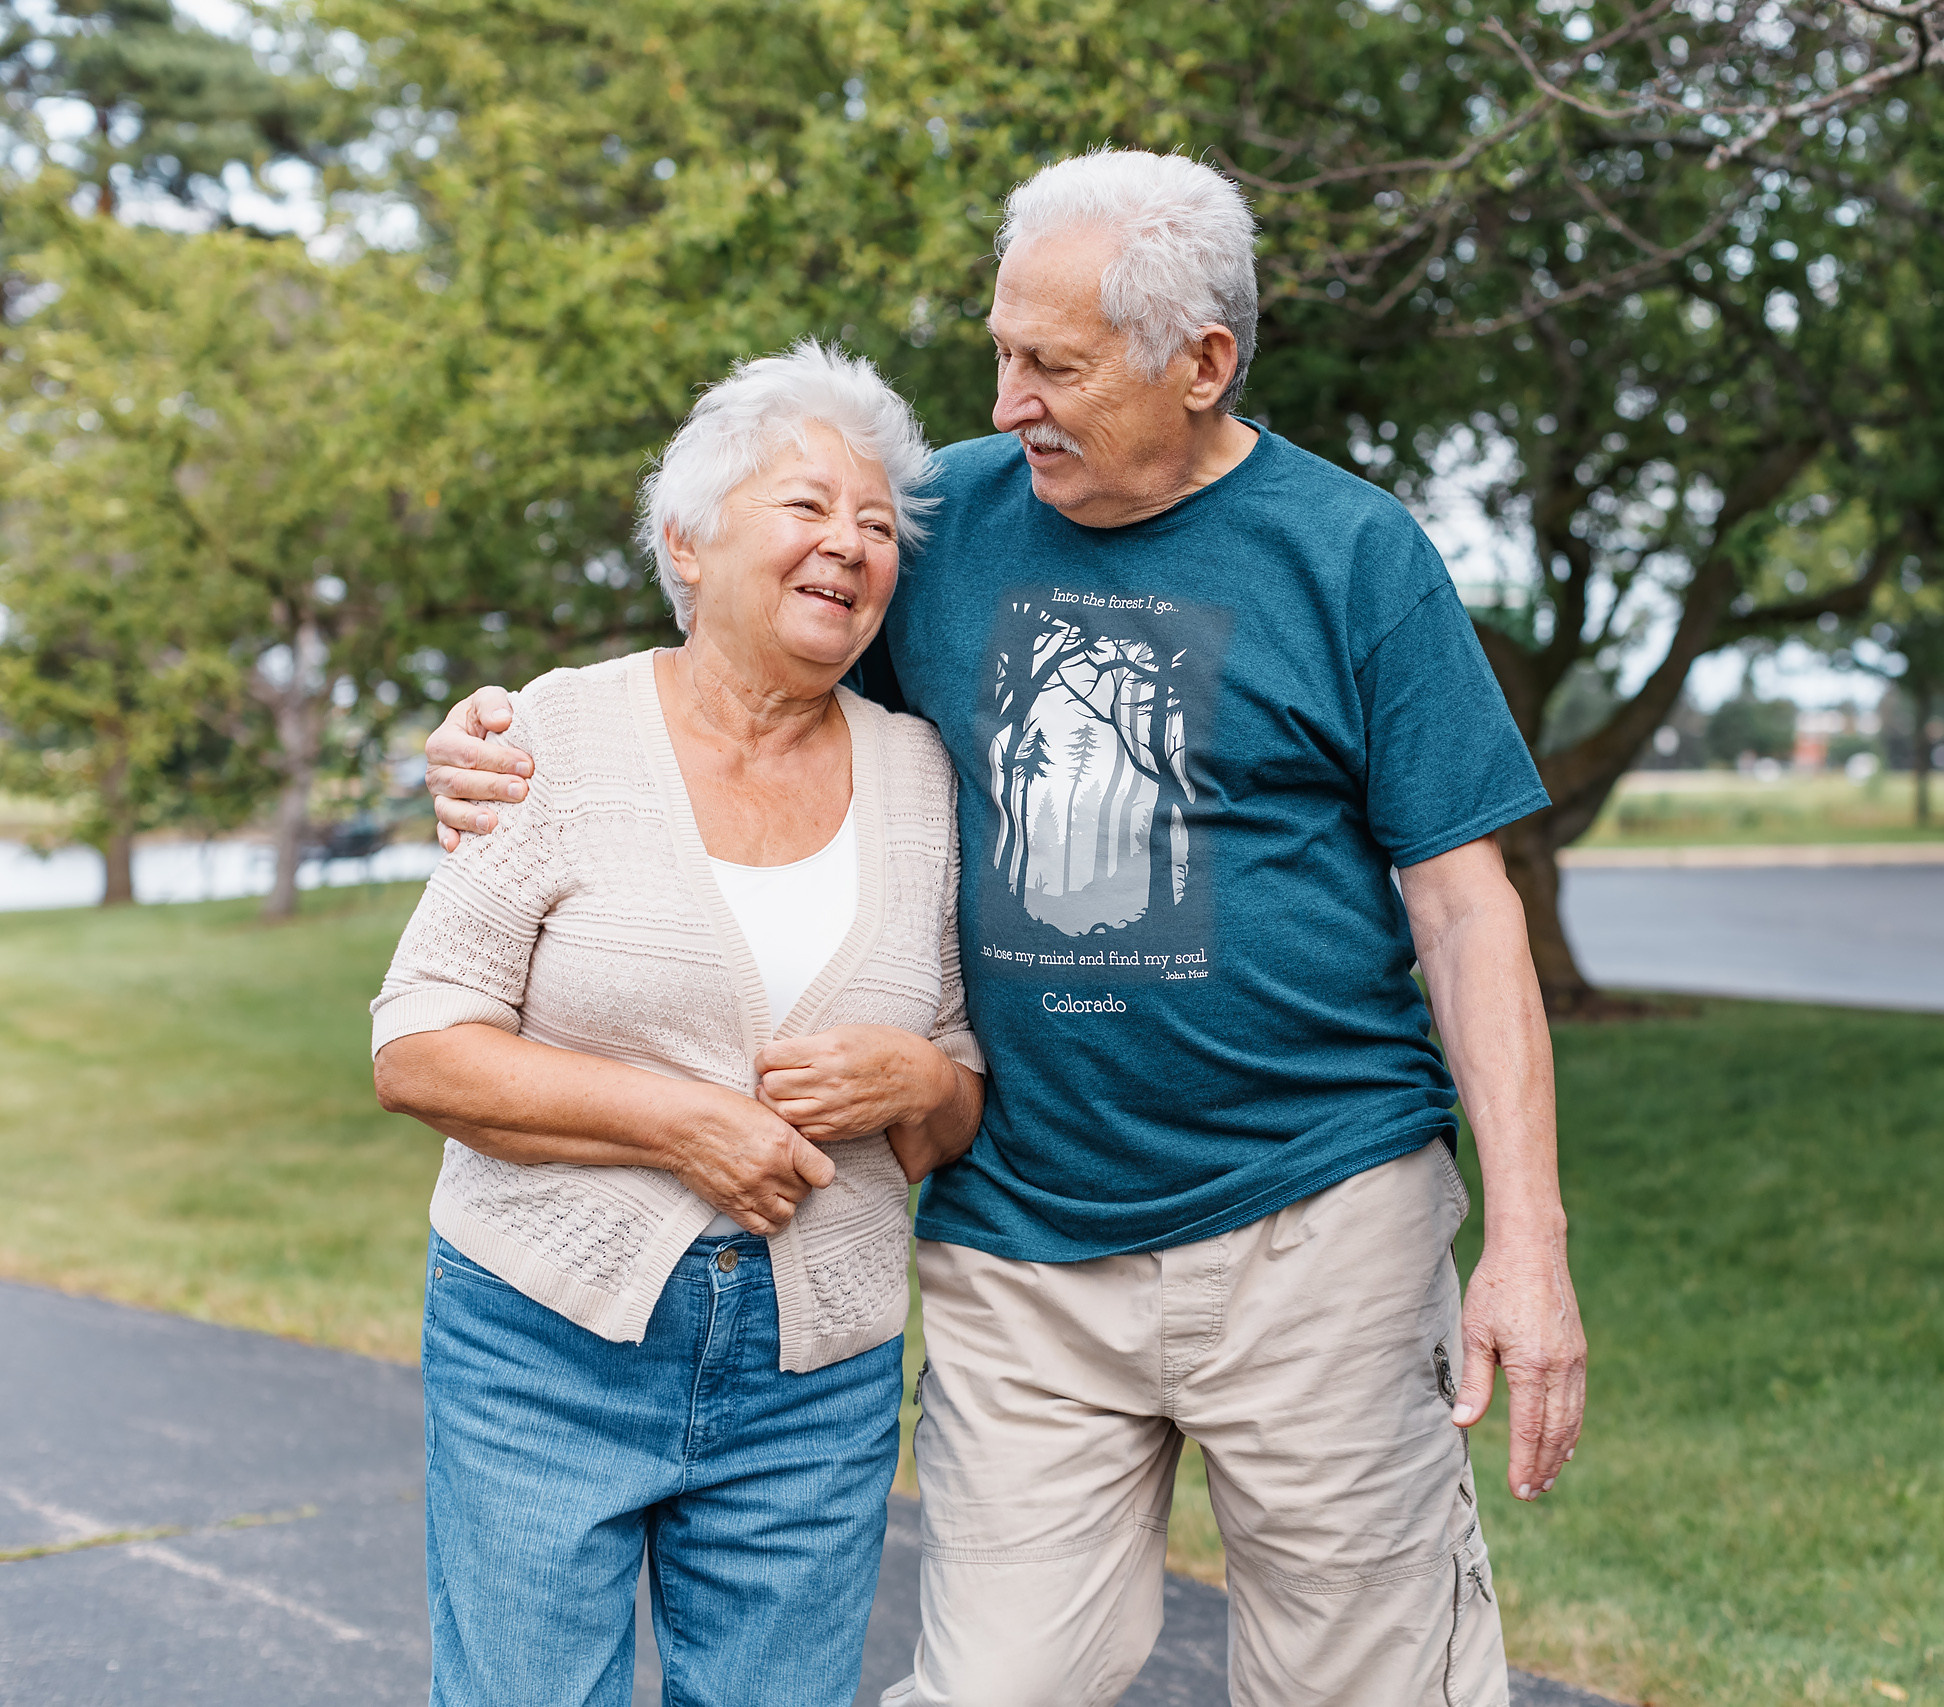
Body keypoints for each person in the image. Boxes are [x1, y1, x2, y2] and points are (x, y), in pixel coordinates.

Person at [425, 149, 1585, 1707]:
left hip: (1317, 1225)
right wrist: (511, 731)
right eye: (999, 350)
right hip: (1027, 1245)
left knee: (1362, 1687)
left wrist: (1530, 1243)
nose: (1009, 397)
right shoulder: (944, 523)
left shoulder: (1353, 552)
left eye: (1054, 363)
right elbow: (745, 645)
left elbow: (1463, 907)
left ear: (1203, 363)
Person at [372, 341, 983, 1707]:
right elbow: (417, 1046)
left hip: (814, 1363)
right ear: (689, 543)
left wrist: (912, 1076)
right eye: (810, 507)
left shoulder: (922, 776)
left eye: (878, 527)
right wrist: (683, 1124)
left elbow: (955, 1110)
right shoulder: (549, 739)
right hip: (545, 1335)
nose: (850, 545)